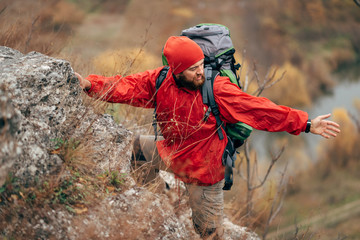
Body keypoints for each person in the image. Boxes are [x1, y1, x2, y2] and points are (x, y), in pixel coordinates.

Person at [75, 36, 340, 239]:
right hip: (171, 153)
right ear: (176, 71)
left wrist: (305, 123)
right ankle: (161, 200)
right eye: (193, 69)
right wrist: (90, 85)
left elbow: (260, 110)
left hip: (205, 173)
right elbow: (126, 86)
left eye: (202, 64)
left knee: (209, 234)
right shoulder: (160, 80)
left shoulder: (217, 89)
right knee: (138, 150)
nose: (200, 72)